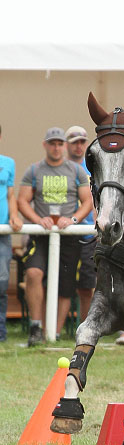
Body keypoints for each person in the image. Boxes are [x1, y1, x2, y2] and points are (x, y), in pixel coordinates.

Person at [18, 126, 92, 346]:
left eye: (60, 144)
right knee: (33, 273)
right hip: (41, 235)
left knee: (65, 285)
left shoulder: (76, 171)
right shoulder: (34, 170)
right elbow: (22, 200)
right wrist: (37, 219)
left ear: (64, 146)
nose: (57, 147)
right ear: (45, 145)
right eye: (53, 143)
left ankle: (55, 334)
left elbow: (87, 201)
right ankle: (36, 327)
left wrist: (75, 219)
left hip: (69, 236)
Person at [65, 125, 96, 323]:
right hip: (67, 232)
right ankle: (52, 330)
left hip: (91, 232)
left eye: (82, 142)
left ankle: (85, 326)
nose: (79, 146)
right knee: (63, 283)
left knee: (88, 285)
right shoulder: (61, 166)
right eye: (74, 142)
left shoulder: (94, 166)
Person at [0, 125, 23, 341]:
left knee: (2, 280)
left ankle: (1, 333)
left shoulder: (8, 163)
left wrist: (14, 216)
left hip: (2, 234)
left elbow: (10, 194)